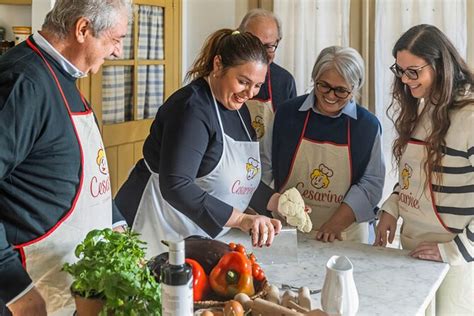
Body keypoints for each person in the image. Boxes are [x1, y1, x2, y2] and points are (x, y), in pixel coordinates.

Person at [0, 0, 130, 314]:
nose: (118, 52)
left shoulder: (64, 77)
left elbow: (82, 174)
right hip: (30, 293)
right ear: (83, 29)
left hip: (68, 288)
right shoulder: (23, 83)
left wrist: (116, 226)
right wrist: (16, 289)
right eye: (115, 40)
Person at [115, 29, 288, 258]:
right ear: (218, 65)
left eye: (257, 85)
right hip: (153, 225)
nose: (249, 93)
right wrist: (241, 219)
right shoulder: (191, 108)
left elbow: (241, 179)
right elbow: (176, 185)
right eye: (243, 81)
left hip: (195, 234)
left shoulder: (240, 112)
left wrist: (278, 202)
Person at [374, 24, 473, 314]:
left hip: (453, 262)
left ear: (440, 66)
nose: (405, 80)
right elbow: (413, 175)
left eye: (413, 72)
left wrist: (453, 251)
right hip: (414, 250)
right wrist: (391, 207)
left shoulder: (469, 116)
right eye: (400, 71)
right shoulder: (425, 107)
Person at [273, 46, 385, 243]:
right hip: (287, 226)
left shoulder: (367, 126)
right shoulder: (286, 115)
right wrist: (276, 206)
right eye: (323, 85)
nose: (330, 96)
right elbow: (265, 165)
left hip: (345, 233)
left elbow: (372, 182)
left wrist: (335, 224)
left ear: (354, 89)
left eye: (341, 90)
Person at [238, 9, 297, 185]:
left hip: (267, 176)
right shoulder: (225, 77)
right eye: (253, 43)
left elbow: (288, 137)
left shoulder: (284, 81)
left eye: (268, 46)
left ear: (277, 43)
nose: (260, 53)